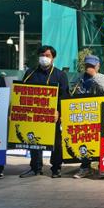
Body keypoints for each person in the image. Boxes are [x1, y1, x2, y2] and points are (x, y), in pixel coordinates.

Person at [18, 45, 70, 178]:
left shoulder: (60, 75)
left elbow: (64, 96)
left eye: (48, 56)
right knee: (34, 140)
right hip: (34, 115)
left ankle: (56, 168)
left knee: (56, 143)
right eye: (42, 55)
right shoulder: (30, 73)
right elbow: (22, 93)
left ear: (53, 58)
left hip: (53, 116)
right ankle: (35, 167)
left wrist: (59, 112)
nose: (44, 58)